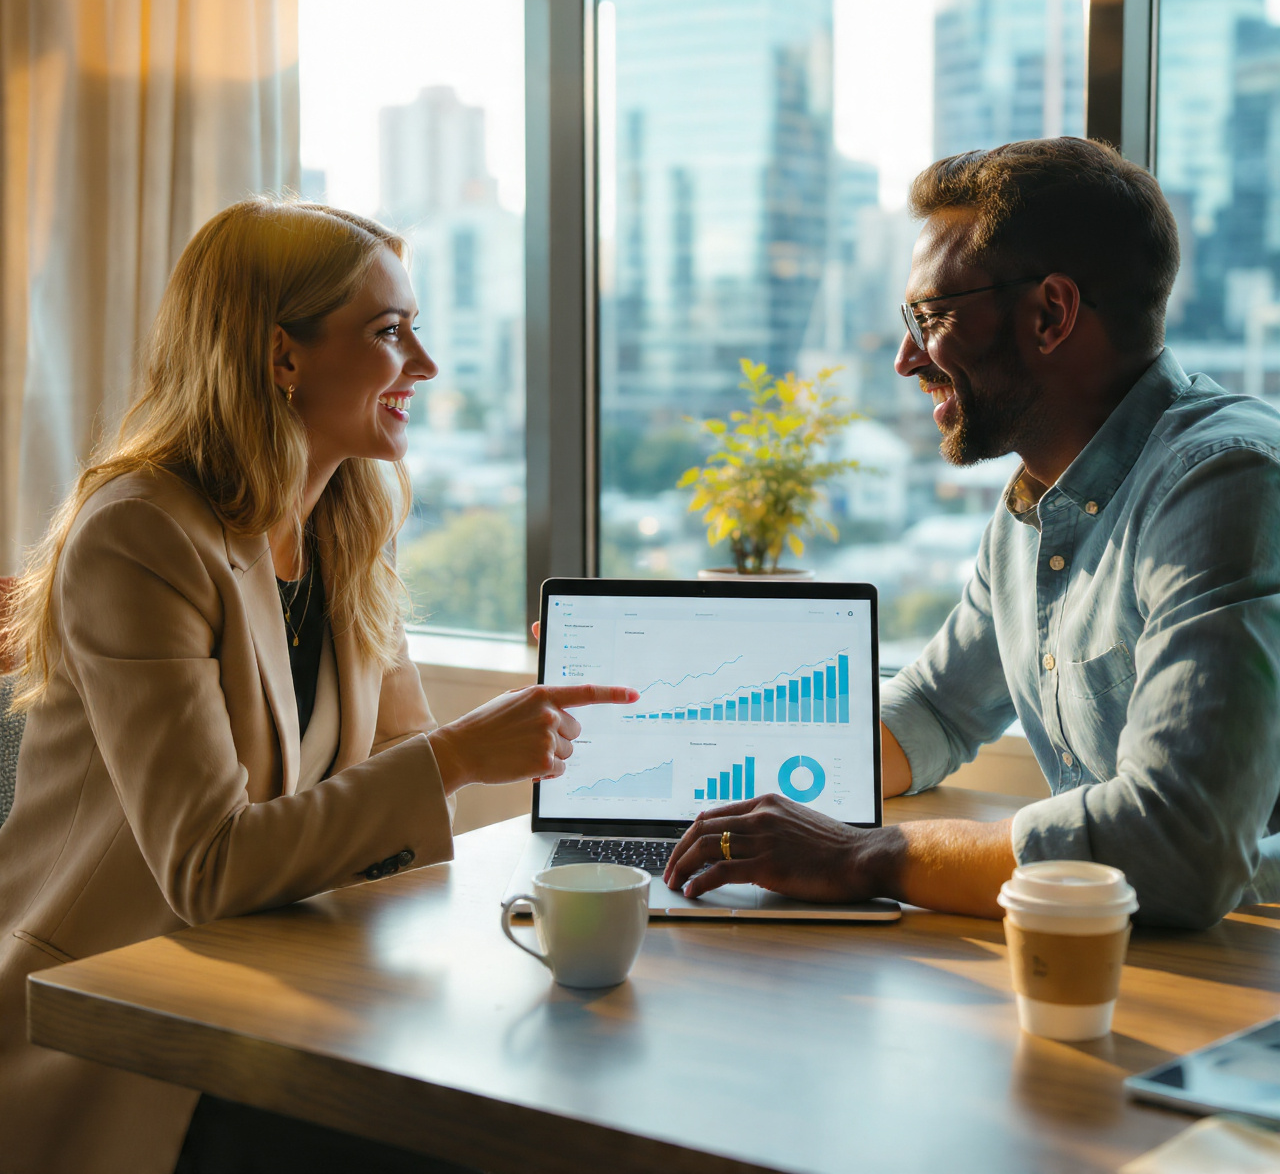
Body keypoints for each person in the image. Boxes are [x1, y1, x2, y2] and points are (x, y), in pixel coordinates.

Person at [0, 198, 636, 1174]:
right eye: (389, 332)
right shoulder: (141, 534)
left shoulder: (345, 526)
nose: (425, 364)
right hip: (115, 1012)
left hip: (268, 978)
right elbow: (207, 866)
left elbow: (397, 772)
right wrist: (461, 755)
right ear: (281, 356)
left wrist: (488, 746)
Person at [665, 137, 1280, 930]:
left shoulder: (1226, 483)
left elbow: (1178, 844)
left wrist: (863, 855)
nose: (904, 359)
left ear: (1050, 314)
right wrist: (703, 779)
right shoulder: (1035, 506)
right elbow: (935, 709)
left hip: (1239, 966)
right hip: (1096, 946)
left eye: (930, 317)